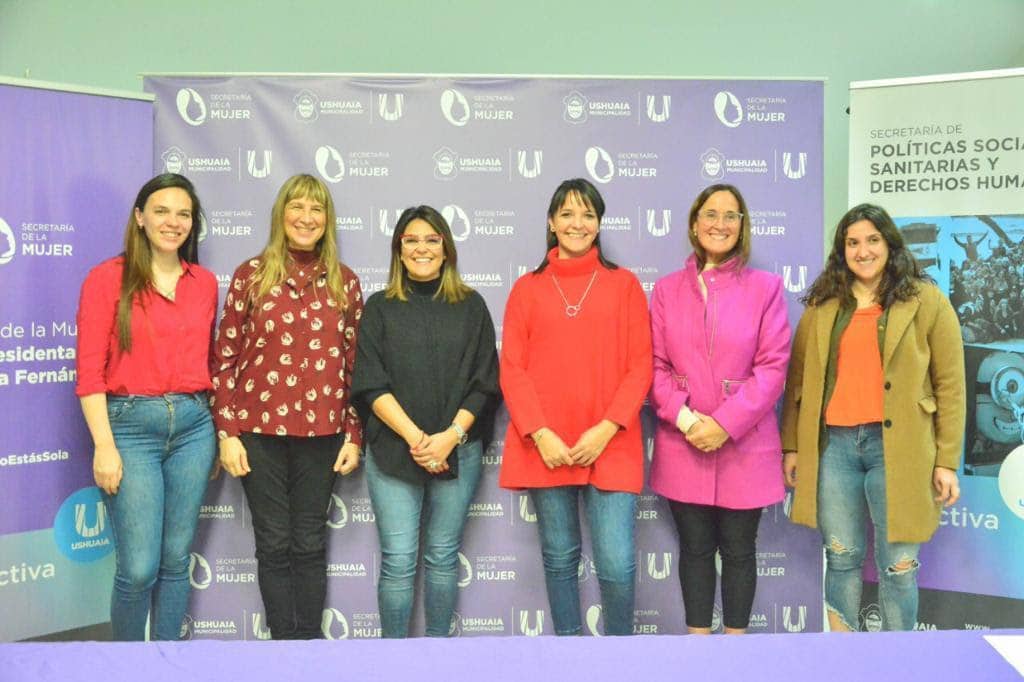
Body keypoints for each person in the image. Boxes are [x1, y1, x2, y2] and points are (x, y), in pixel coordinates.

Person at [781, 203, 965, 632]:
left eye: (872, 240)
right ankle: (843, 660)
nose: (862, 251)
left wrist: (946, 460)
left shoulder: (927, 301)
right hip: (836, 450)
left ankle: (897, 663)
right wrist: (792, 446)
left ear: (889, 244)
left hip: (900, 452)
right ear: (841, 250)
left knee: (899, 565)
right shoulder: (823, 307)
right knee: (841, 557)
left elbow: (951, 387)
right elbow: (798, 384)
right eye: (852, 242)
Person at [211, 174, 363, 639]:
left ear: (327, 221)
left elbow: (357, 366)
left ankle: (309, 649)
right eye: (297, 207)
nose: (306, 218)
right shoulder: (250, 275)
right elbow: (225, 359)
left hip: (324, 434)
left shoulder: (345, 283)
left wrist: (354, 434)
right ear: (281, 214)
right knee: (274, 544)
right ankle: (282, 647)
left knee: (310, 543)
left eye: (316, 210)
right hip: (258, 434)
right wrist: (227, 431)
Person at [499, 178, 652, 636]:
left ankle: (620, 658)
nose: (577, 223)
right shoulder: (527, 289)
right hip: (547, 446)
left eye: (587, 214)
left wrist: (606, 429)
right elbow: (512, 369)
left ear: (599, 223)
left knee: (616, 563)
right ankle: (568, 656)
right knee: (561, 559)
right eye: (566, 214)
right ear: (551, 222)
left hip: (612, 443)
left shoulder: (624, 285)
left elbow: (640, 366)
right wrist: (540, 433)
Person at [76, 173, 217, 640]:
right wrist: (104, 447)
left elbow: (211, 362)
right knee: (139, 568)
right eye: (161, 210)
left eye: (183, 214)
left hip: (195, 428)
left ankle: (168, 663)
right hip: (129, 429)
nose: (172, 222)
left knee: (177, 560)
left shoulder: (204, 284)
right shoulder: (105, 280)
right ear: (140, 217)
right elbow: (90, 372)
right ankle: (128, 668)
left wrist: (216, 434)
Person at [648, 183, 790, 635]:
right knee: (693, 549)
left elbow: (772, 367)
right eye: (711, 214)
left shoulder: (766, 288)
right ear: (694, 223)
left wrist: (724, 425)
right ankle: (697, 651)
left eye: (731, 216)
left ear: (742, 227)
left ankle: (736, 654)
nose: (720, 224)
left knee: (739, 550)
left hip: (745, 445)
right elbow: (654, 366)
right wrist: (689, 421)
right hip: (682, 442)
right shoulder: (667, 291)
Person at [351, 205, 499, 638]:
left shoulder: (472, 306)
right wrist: (419, 440)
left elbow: (484, 383)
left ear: (446, 249)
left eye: (431, 240)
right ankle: (394, 662)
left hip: (458, 449)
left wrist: (449, 438)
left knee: (441, 556)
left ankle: (438, 659)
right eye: (411, 240)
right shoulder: (379, 308)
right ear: (398, 250)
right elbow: (370, 384)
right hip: (395, 450)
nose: (421, 248)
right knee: (398, 560)